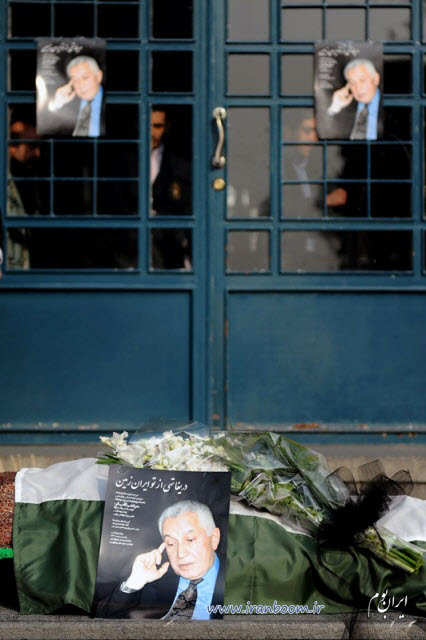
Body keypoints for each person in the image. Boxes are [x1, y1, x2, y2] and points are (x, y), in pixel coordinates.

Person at [95, 500, 224, 620]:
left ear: (214, 538)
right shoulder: (154, 581)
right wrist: (134, 583)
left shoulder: (233, 583)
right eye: (171, 544)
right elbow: (104, 617)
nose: (180, 553)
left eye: (190, 539)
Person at [48, 56, 104, 137]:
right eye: (75, 80)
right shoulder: (68, 102)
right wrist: (57, 103)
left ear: (99, 76)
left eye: (85, 77)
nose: (80, 84)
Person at [327, 58, 381, 140]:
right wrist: (335, 107)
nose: (358, 88)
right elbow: (326, 134)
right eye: (352, 83)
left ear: (376, 79)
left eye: (362, 80)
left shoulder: (389, 101)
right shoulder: (345, 108)